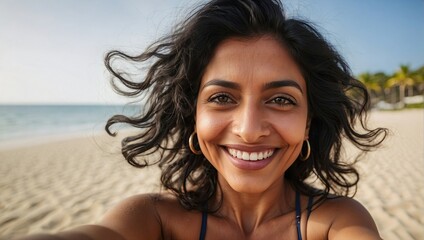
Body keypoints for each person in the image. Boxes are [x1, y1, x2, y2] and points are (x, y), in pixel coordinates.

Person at [16, 0, 388, 239]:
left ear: (309, 122)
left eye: (280, 99)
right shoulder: (153, 219)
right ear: (193, 116)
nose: (248, 128)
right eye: (222, 98)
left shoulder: (337, 224)